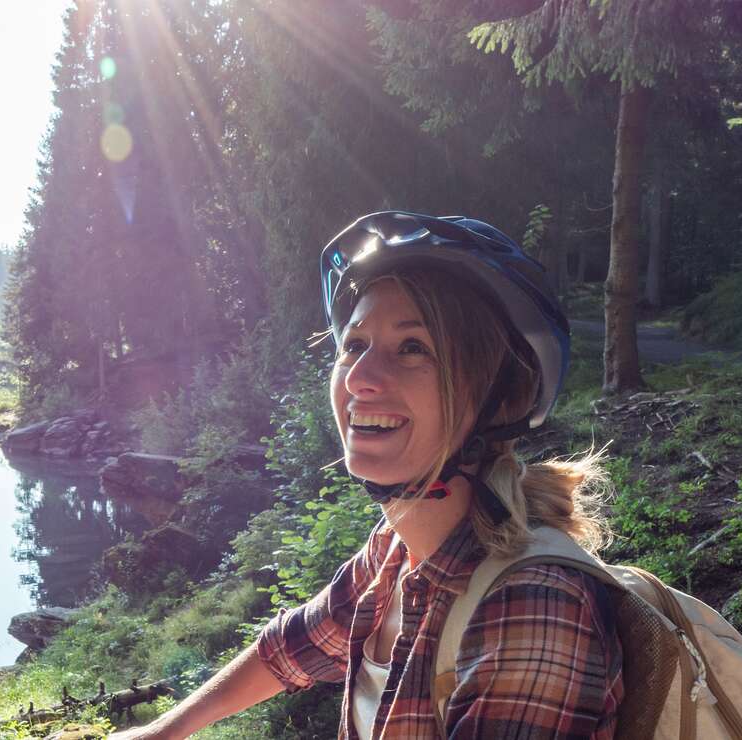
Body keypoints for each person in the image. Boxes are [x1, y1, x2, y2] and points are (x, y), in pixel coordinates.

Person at [110, 211, 624, 739]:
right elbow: (289, 650)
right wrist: (155, 733)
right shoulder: (395, 554)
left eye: (412, 348)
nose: (359, 377)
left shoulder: (533, 607)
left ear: (500, 399)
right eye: (354, 346)